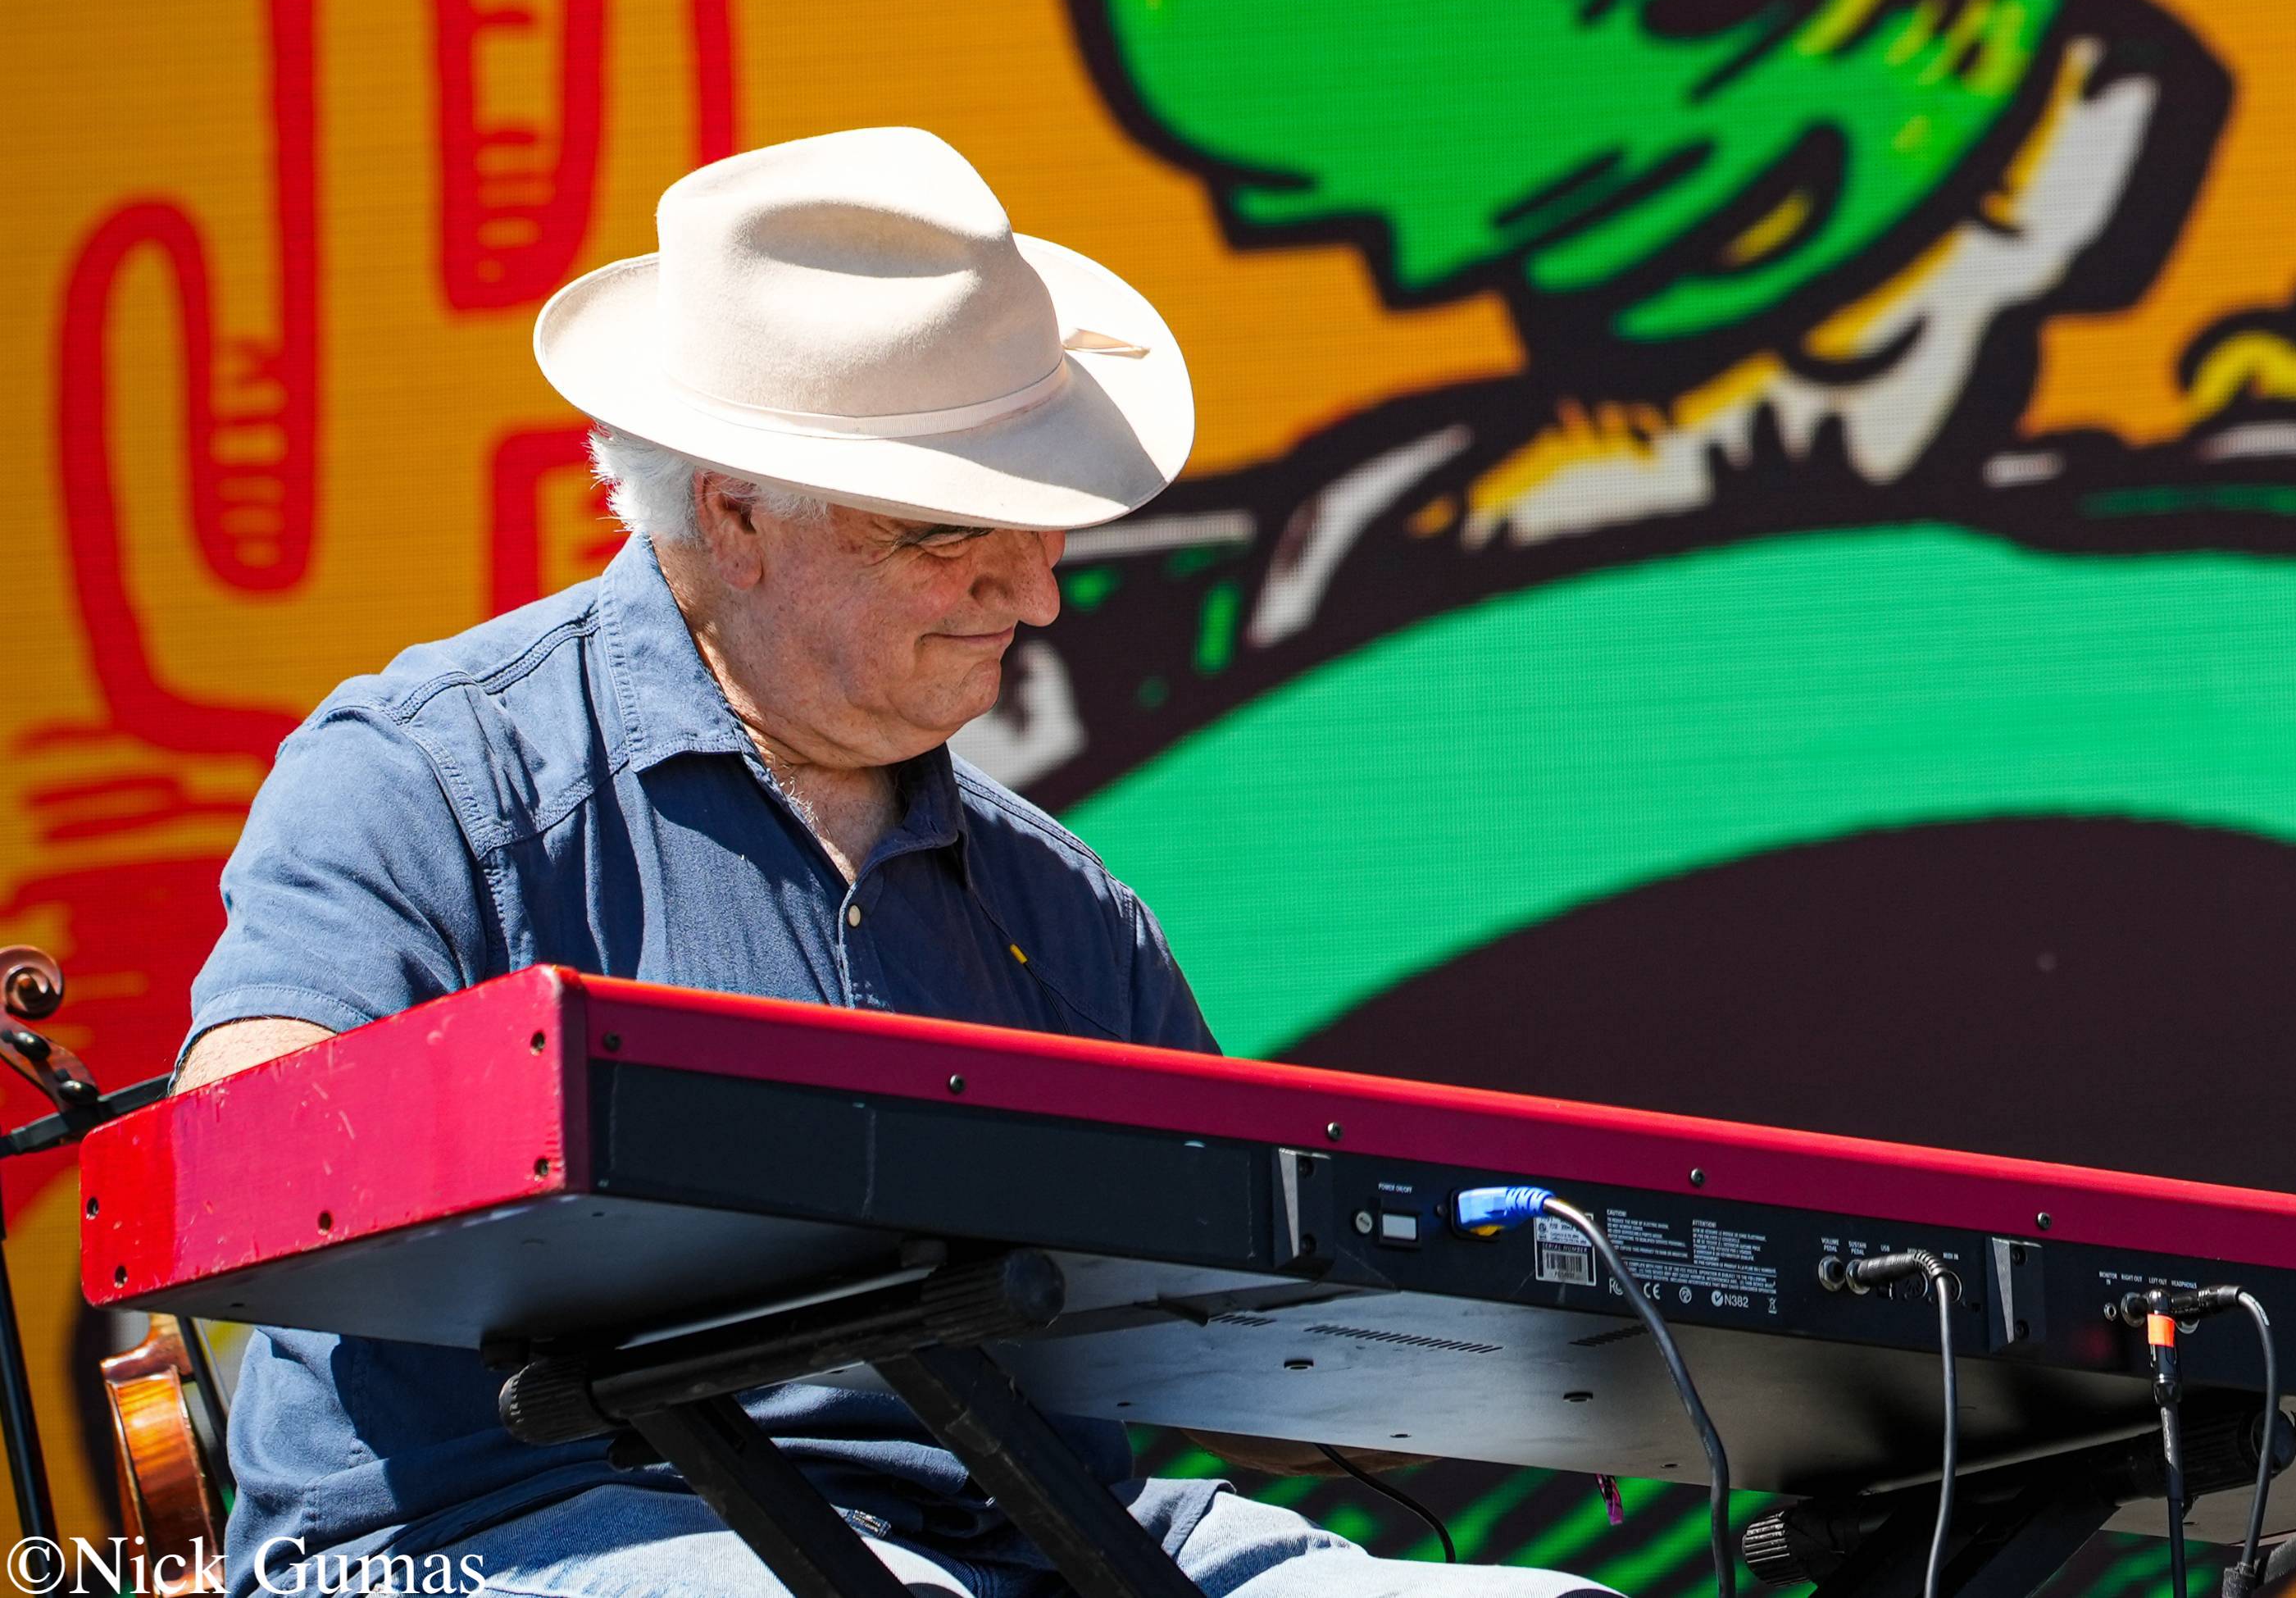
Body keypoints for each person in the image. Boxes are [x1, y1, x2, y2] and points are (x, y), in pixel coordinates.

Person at [181, 129, 1594, 1596]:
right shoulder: (425, 770)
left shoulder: (1063, 902)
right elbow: (246, 1155)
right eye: (955, 532)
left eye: (1043, 526)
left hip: (1032, 1535)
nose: (1036, 586)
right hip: (504, 1520)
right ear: (734, 513)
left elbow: (1246, 1337)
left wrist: (1437, 1302)